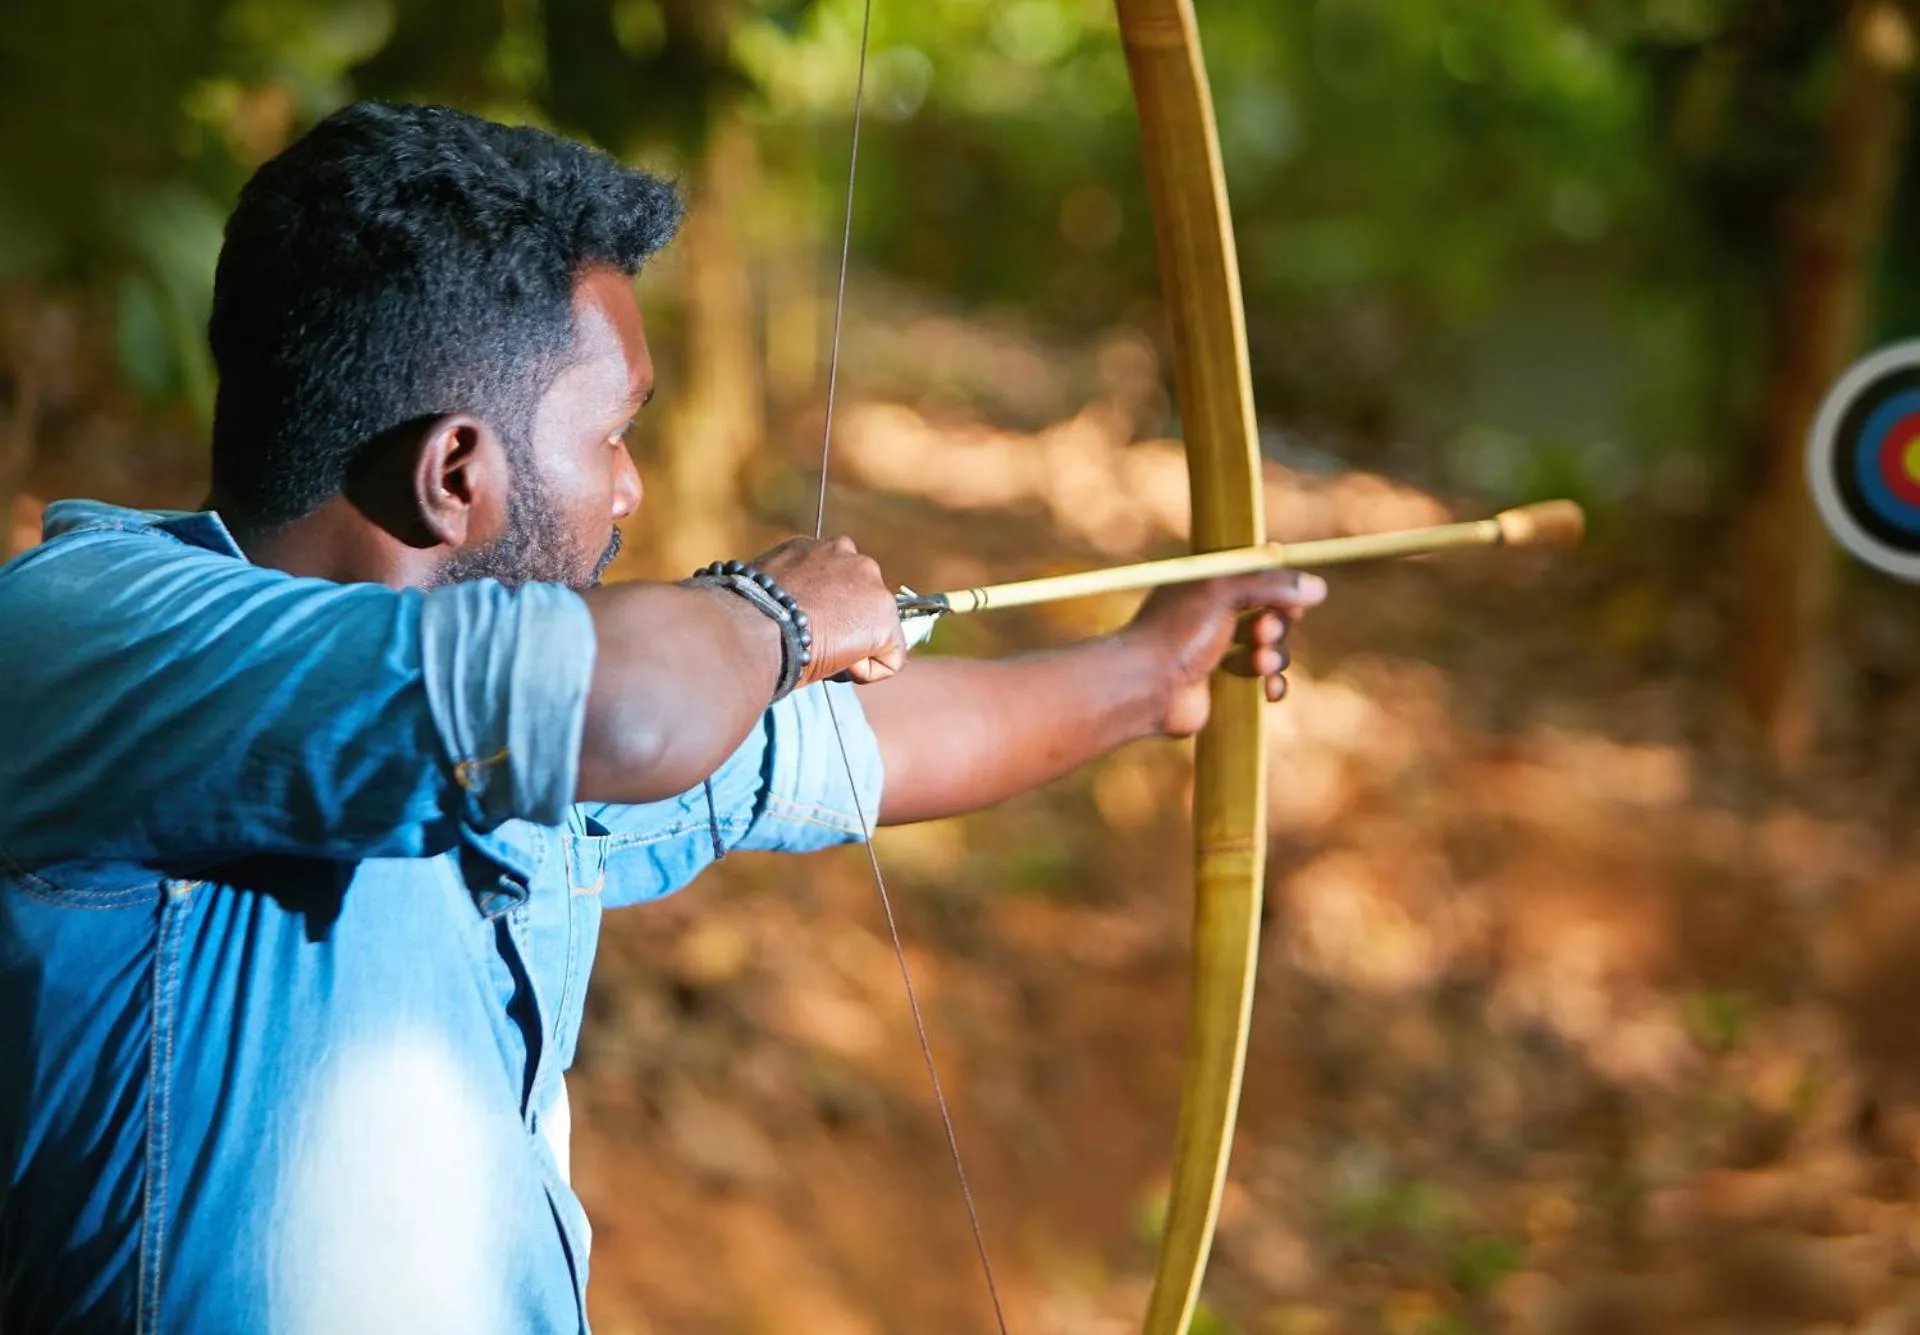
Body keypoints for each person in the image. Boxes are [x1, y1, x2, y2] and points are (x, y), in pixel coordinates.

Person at [0, 101, 1324, 1334]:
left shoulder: (502, 739)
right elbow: (632, 705)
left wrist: (1152, 675)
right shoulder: (99, 636)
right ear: (457, 471)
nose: (631, 488)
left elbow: (867, 742)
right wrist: (777, 613)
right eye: (615, 433)